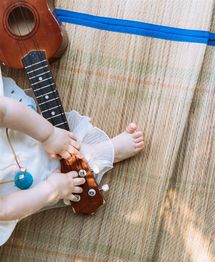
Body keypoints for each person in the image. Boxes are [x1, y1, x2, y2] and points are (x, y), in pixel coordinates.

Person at [0, 69, 144, 246]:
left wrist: (48, 135)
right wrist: (51, 189)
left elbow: (5, 111)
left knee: (53, 139)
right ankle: (102, 152)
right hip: (12, 188)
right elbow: (5, 208)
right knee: (60, 173)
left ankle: (49, 133)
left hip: (11, 125)